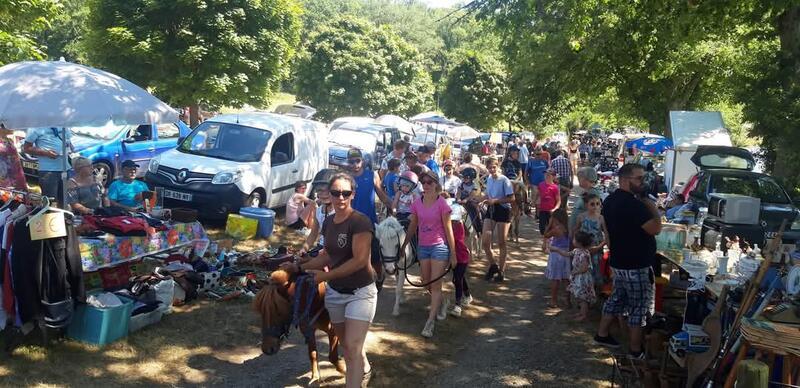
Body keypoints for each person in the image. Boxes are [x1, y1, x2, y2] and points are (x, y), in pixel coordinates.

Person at [282, 173, 377, 388]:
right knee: (347, 346)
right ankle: (365, 368)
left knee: (352, 348)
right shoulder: (329, 223)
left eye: (345, 193)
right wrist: (298, 267)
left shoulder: (360, 222)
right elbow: (327, 256)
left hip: (361, 292)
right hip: (336, 293)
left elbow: (360, 261)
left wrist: (325, 276)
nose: (340, 197)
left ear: (353, 194)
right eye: (336, 193)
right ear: (330, 194)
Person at [595, 164, 662, 360]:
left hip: (619, 261)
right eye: (639, 179)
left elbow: (606, 231)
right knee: (638, 308)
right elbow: (655, 228)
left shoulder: (610, 200)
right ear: (625, 180)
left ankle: (602, 334)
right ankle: (635, 350)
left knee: (616, 299)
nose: (643, 183)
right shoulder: (635, 205)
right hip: (637, 264)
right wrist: (651, 206)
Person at [401, 170, 457, 338]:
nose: (426, 185)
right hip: (423, 247)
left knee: (435, 283)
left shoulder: (442, 205)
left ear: (436, 184)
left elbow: (449, 230)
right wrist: (404, 245)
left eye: (429, 182)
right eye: (423, 182)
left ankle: (430, 322)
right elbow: (412, 226)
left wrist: (453, 254)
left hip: (439, 247)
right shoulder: (417, 203)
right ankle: (442, 300)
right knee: (426, 283)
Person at [481, 157, 514, 282]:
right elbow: (487, 195)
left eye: (494, 167)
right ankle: (493, 265)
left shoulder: (504, 180)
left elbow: (511, 198)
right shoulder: (489, 179)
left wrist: (496, 201)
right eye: (489, 168)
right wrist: (480, 200)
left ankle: (502, 271)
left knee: (501, 242)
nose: (492, 170)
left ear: (497, 166)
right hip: (491, 209)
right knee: (485, 241)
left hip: (503, 210)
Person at [551, 231, 596, 321]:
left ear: (579, 242)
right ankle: (581, 313)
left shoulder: (584, 254)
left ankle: (583, 315)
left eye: (574, 239)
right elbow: (567, 254)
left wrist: (575, 272)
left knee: (583, 298)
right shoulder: (576, 251)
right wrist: (557, 250)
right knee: (579, 297)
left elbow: (585, 268)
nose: (573, 240)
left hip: (582, 279)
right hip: (578, 278)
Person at [23, 127, 73, 205]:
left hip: (66, 168)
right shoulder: (35, 127)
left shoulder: (63, 124)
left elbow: (69, 142)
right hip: (48, 171)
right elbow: (26, 148)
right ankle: (51, 216)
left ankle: (65, 216)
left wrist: (71, 147)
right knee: (50, 202)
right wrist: (46, 153)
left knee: (66, 201)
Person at [347, 149, 392, 225]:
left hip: (368, 220)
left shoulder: (372, 175)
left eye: (358, 161)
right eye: (351, 162)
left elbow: (383, 197)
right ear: (348, 163)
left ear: (362, 161)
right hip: (350, 221)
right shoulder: (345, 178)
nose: (355, 164)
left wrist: (395, 207)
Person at [573, 193, 609, 287]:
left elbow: (606, 234)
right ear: (586, 205)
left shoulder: (601, 218)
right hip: (584, 250)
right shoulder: (581, 217)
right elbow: (575, 231)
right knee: (585, 271)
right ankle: (585, 292)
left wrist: (599, 246)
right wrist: (576, 243)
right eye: (592, 204)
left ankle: (596, 292)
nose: (595, 206)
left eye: (597, 204)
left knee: (597, 270)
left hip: (597, 249)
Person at [299, 170, 337, 254]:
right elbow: (313, 234)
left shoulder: (339, 212)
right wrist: (304, 249)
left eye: (327, 190)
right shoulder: (319, 211)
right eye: (319, 190)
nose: (324, 194)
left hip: (335, 251)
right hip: (321, 247)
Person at [448, 199, 472, 317]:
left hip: (461, 256)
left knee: (457, 279)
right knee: (459, 277)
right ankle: (467, 295)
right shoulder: (450, 225)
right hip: (454, 256)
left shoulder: (459, 226)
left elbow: (455, 240)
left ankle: (458, 305)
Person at [543, 209, 570, 308]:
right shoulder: (568, 228)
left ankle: (553, 301)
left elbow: (546, 234)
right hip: (566, 254)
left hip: (556, 254)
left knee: (555, 279)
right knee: (566, 279)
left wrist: (549, 225)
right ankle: (567, 300)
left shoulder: (556, 229)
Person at [569, 167, 601, 233]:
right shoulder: (585, 191)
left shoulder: (592, 193)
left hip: (584, 233)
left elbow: (595, 213)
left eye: (580, 177)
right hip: (578, 232)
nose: (578, 180)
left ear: (587, 179)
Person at [456, 167, 483, 237]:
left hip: (470, 201)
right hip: (461, 200)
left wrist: (466, 199)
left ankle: (479, 227)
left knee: (475, 208)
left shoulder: (474, 185)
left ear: (471, 178)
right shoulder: (462, 184)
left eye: (466, 177)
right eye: (464, 177)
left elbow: (472, 194)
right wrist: (458, 198)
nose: (464, 179)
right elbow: (459, 192)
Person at [537, 169, 561, 239]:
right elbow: (538, 194)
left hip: (551, 211)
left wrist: (555, 209)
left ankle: (548, 243)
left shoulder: (555, 187)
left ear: (553, 177)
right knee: (542, 228)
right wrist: (534, 201)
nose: (546, 176)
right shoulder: (541, 184)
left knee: (550, 228)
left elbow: (558, 200)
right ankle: (545, 240)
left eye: (548, 175)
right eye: (545, 174)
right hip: (542, 210)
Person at [525, 148, 549, 216]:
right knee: (536, 197)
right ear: (534, 154)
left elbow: (548, 170)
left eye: (540, 154)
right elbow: (526, 173)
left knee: (541, 198)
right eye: (537, 154)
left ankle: (538, 214)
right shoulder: (531, 161)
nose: (539, 155)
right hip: (534, 183)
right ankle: (536, 212)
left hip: (543, 183)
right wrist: (528, 182)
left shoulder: (544, 161)